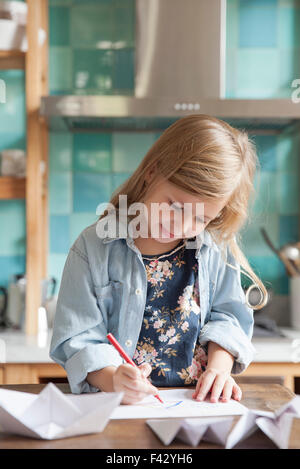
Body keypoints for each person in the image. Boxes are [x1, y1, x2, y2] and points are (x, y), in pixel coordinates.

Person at [50, 114, 268, 405]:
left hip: (196, 404)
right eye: (175, 205)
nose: (181, 224)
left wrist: (219, 369)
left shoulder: (216, 248)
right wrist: (115, 379)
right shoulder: (94, 247)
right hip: (121, 407)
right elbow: (78, 340)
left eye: (201, 218)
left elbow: (229, 317)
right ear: (152, 172)